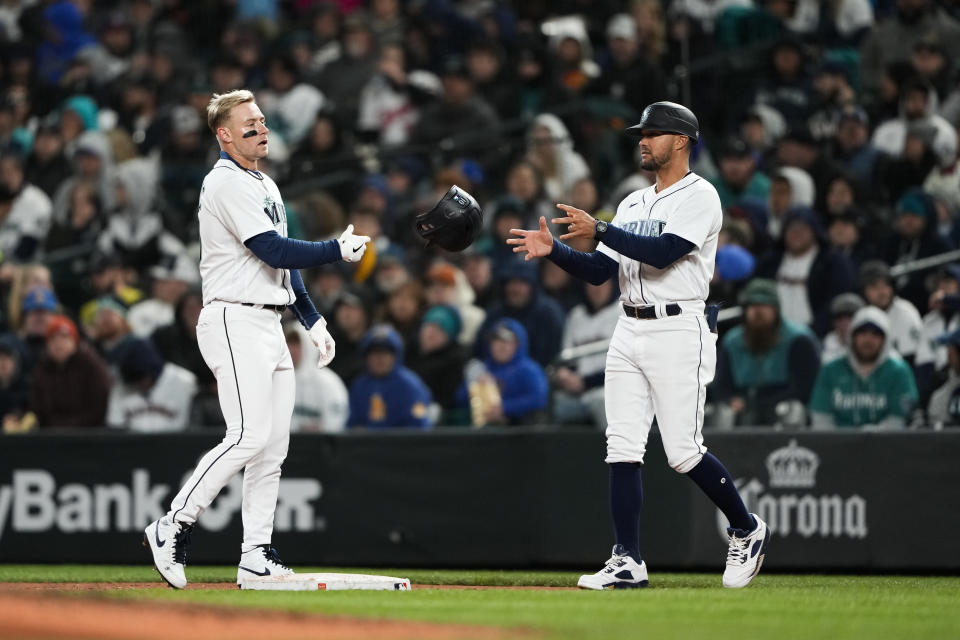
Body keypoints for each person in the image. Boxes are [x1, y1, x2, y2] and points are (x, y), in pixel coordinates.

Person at [508, 102, 771, 589]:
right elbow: (601, 271)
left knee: (683, 451)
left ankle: (746, 527)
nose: (643, 141)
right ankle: (627, 559)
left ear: (683, 140)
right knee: (622, 447)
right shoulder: (632, 201)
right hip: (628, 326)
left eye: (654, 134)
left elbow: (666, 252)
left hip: (679, 325)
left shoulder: (702, 196)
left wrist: (603, 229)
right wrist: (557, 251)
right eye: (642, 134)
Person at [142, 90, 370, 591]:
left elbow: (281, 263)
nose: (261, 129)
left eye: (263, 120)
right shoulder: (222, 182)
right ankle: (172, 523)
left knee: (272, 448)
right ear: (224, 134)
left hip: (268, 322)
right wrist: (335, 249)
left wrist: (311, 319)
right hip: (232, 318)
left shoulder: (264, 182)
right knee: (246, 435)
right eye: (249, 124)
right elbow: (268, 246)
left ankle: (255, 556)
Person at [712, 279, 822, 427]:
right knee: (723, 413)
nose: (758, 312)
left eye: (764, 305)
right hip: (744, 406)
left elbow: (805, 388)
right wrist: (731, 399)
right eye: (752, 306)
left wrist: (761, 403)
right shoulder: (732, 341)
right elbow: (721, 384)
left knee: (794, 410)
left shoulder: (799, 339)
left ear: (776, 309)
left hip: (783, 404)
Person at [809, 306, 918, 429]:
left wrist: (869, 437)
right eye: (862, 333)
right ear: (852, 337)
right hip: (835, 444)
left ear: (886, 339)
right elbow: (821, 418)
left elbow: (900, 420)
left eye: (876, 334)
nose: (868, 340)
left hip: (887, 444)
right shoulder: (830, 370)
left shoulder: (899, 371)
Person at [456, 319, 549, 426]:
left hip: (521, 431)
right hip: (485, 429)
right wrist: (475, 388)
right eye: (497, 341)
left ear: (519, 344)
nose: (501, 346)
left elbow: (539, 398)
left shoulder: (528, 369)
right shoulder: (482, 369)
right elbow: (460, 399)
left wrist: (504, 408)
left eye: (508, 341)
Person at [28, 315, 111, 429]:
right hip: (51, 434)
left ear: (75, 341)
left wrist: (72, 426)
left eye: (64, 337)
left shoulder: (91, 365)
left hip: (89, 433)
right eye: (53, 338)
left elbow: (99, 406)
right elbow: (38, 407)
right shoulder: (42, 368)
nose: (59, 343)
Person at [348, 324, 433, 429]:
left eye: (385, 353)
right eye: (374, 353)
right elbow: (351, 424)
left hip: (401, 444)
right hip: (366, 445)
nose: (379, 358)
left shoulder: (410, 385)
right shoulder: (360, 385)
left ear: (396, 356)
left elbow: (420, 426)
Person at [285, 325, 348, 433]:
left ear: (309, 346)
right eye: (289, 344)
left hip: (320, 446)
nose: (291, 350)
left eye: (297, 344)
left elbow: (336, 422)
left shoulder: (329, 382)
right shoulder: (279, 380)